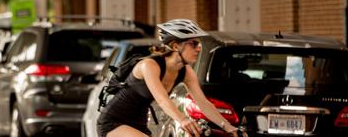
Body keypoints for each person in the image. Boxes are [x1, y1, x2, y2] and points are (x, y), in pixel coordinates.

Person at [97, 19, 241, 137]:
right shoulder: (149, 65)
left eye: (200, 44)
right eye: (194, 44)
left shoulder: (186, 71)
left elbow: (203, 103)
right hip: (114, 121)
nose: (199, 48)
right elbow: (162, 100)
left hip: (139, 124)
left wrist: (228, 127)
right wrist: (183, 119)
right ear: (175, 46)